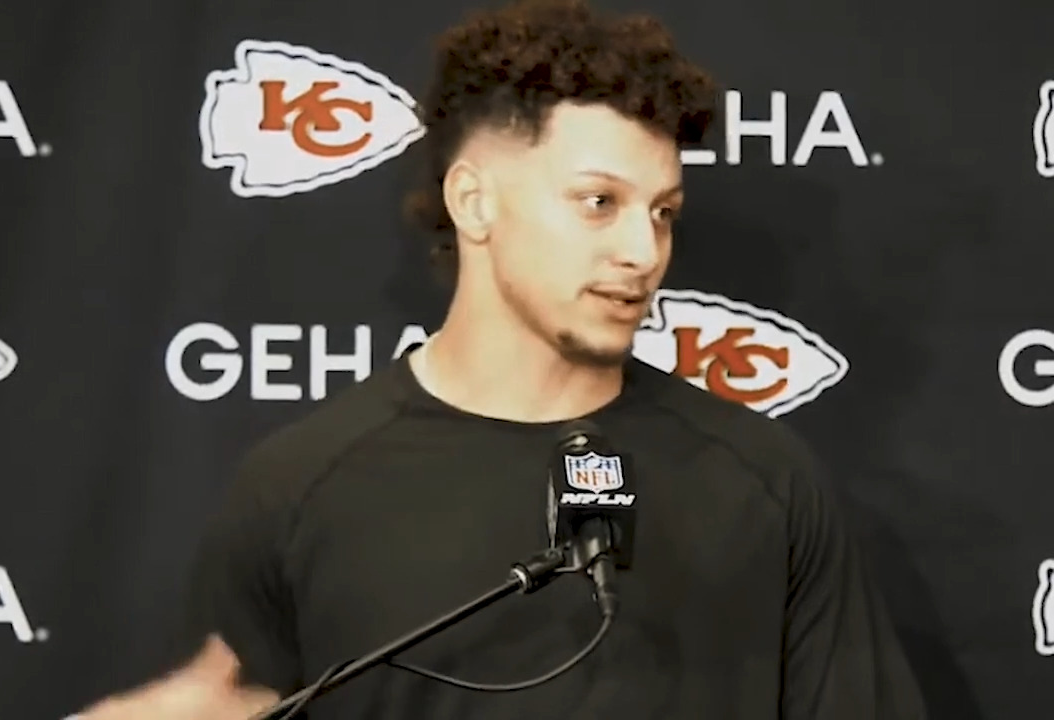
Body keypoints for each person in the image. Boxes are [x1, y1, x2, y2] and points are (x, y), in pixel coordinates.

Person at [83, 0, 927, 718]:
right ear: (473, 202)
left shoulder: (764, 480)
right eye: (600, 203)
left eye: (663, 211)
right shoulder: (299, 488)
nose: (645, 250)